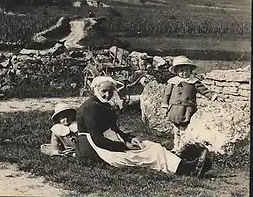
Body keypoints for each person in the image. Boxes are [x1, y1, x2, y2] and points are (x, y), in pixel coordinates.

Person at [76, 76, 212, 177]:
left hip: (108, 142)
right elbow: (97, 139)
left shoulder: (102, 104)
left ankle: (183, 164)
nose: (107, 95)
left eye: (110, 91)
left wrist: (129, 139)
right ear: (95, 89)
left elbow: (114, 129)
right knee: (148, 154)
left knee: (151, 146)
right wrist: (124, 146)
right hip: (95, 149)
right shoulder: (91, 107)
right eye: (104, 91)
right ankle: (187, 169)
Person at [162, 56, 223, 154]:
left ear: (190, 70)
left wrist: (214, 96)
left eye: (186, 70)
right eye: (181, 70)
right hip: (174, 109)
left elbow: (204, 91)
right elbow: (167, 94)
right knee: (176, 129)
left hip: (187, 110)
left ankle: (182, 148)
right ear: (176, 71)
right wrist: (165, 105)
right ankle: (175, 146)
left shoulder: (194, 82)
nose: (184, 72)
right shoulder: (173, 82)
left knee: (184, 129)